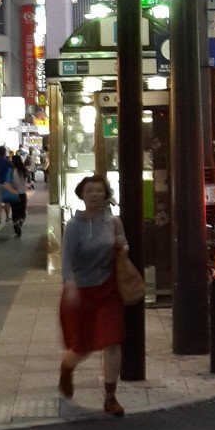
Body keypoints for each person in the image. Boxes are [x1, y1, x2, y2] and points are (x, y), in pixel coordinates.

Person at [58, 174, 126, 416]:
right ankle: (66, 369)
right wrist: (70, 285)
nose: (94, 194)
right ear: (82, 195)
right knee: (82, 347)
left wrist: (122, 246)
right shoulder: (74, 226)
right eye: (89, 191)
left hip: (107, 289)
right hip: (81, 292)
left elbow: (123, 248)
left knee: (112, 341)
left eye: (98, 190)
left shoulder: (113, 222)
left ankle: (110, 397)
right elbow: (66, 262)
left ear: (106, 194)